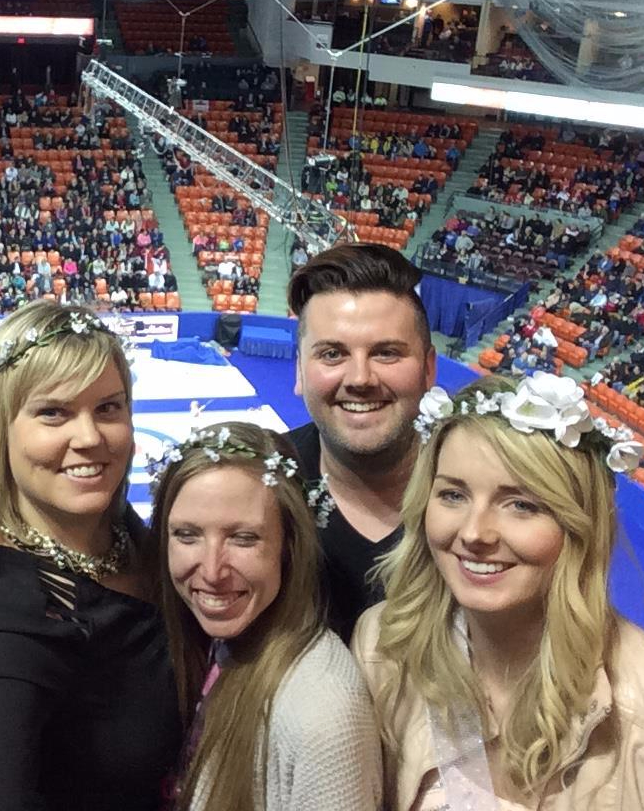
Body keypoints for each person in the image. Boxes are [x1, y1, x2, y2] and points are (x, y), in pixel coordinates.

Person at [354, 374, 644, 810]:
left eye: (521, 504)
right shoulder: (381, 645)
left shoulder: (636, 700)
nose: (475, 533)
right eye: (453, 495)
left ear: (578, 526)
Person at [0, 301, 182, 811]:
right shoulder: (2, 624)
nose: (89, 438)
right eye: (53, 412)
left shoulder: (131, 538)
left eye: (108, 408)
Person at [149, 422, 381, 811]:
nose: (212, 571)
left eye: (243, 538)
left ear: (290, 545)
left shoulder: (322, 714)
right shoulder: (216, 646)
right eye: (187, 535)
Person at [285, 243, 435, 641]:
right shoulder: (259, 483)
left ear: (429, 369)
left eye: (386, 353)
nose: (360, 379)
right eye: (332, 354)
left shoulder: (482, 490)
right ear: (299, 371)